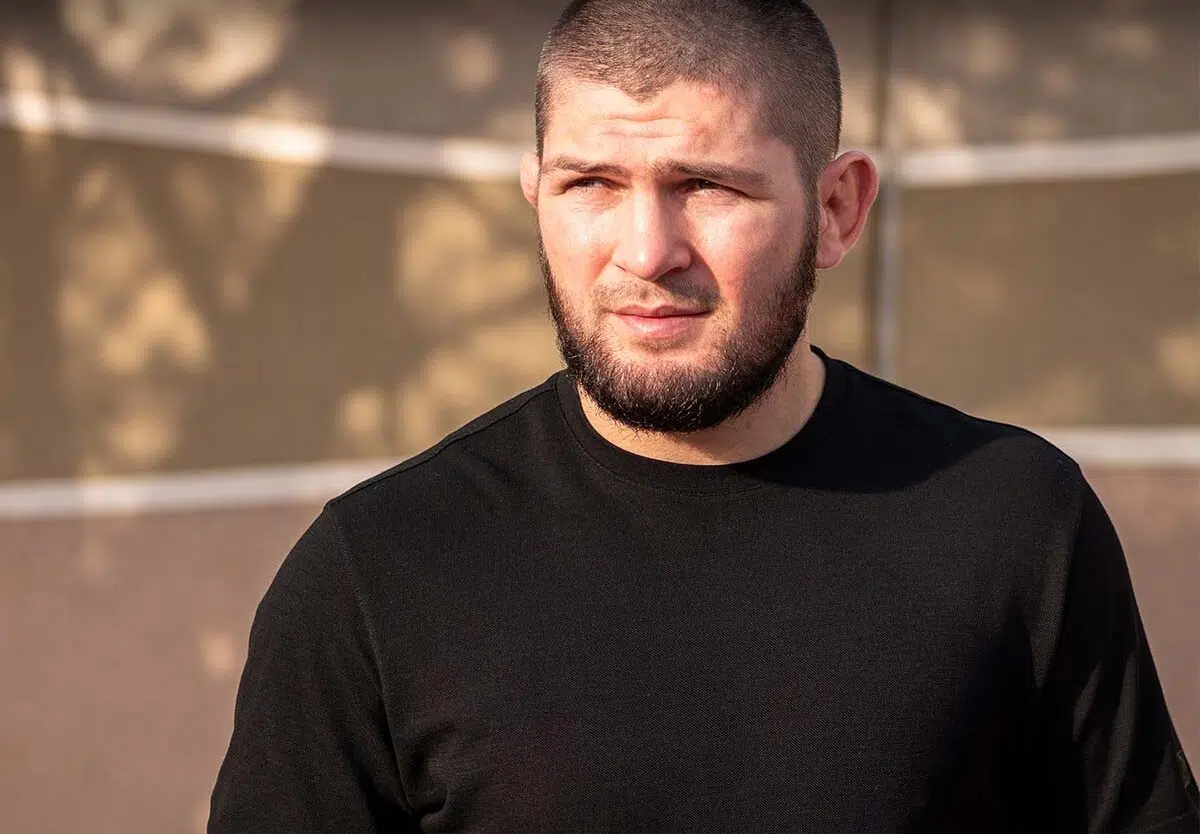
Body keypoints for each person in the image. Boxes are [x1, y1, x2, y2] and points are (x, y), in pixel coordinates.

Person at [208, 1, 1199, 831]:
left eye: (708, 186)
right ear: (535, 195)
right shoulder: (377, 572)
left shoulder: (1012, 521)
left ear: (838, 210)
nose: (647, 252)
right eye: (591, 184)